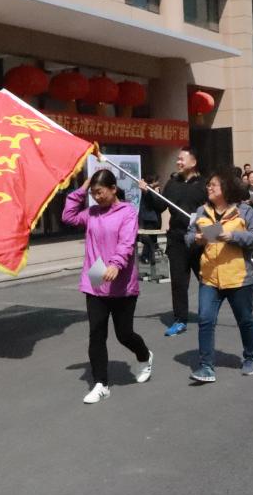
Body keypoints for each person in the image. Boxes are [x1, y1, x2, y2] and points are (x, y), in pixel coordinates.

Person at [62, 170, 153, 404]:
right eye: (93, 193)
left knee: (124, 334)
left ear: (113, 189)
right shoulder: (92, 213)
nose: (97, 197)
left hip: (121, 282)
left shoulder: (128, 212)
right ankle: (101, 384)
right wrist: (82, 189)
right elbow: (68, 217)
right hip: (95, 278)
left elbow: (127, 243)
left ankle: (144, 355)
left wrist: (116, 264)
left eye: (100, 192)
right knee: (96, 333)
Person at [186, 170, 253, 382]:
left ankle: (250, 357)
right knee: (205, 319)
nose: (209, 188)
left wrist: (231, 236)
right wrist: (197, 239)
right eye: (208, 185)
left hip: (238, 277)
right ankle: (206, 366)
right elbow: (188, 236)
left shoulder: (244, 211)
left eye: (214, 185)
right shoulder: (202, 211)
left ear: (226, 188)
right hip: (209, 277)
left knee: (245, 320)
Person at [154, 146, 207, 337]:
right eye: (177, 159)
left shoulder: (204, 184)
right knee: (178, 282)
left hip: (199, 239)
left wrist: (211, 234)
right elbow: (160, 206)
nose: (178, 162)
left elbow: (217, 212)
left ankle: (207, 313)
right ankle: (180, 319)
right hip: (176, 239)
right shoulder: (172, 183)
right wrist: (149, 193)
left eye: (182, 159)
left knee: (206, 280)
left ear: (193, 162)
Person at [137, 173, 164, 267]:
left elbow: (160, 204)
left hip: (154, 219)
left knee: (152, 239)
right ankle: (147, 257)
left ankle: (148, 257)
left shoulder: (154, 189)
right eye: (157, 181)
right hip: (148, 219)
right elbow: (152, 200)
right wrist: (156, 193)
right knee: (148, 239)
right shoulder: (147, 189)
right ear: (153, 181)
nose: (159, 182)